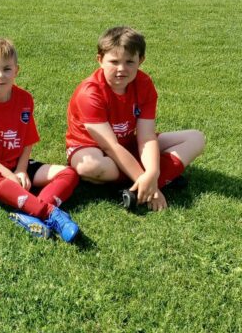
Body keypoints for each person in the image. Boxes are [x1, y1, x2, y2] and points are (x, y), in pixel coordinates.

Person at [66, 26, 205, 211]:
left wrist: (153, 173)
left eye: (130, 62)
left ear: (141, 60)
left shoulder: (144, 84)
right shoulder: (90, 92)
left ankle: (137, 185)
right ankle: (147, 183)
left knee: (195, 138)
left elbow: (146, 137)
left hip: (128, 144)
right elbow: (110, 145)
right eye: (114, 61)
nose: (121, 69)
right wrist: (150, 181)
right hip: (91, 147)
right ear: (100, 60)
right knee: (90, 167)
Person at [0, 38, 80, 242]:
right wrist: (7, 175)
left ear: (16, 70)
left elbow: (27, 140)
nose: (0, 76)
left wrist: (21, 169)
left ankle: (29, 213)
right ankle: (48, 213)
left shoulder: (25, 99)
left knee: (69, 173)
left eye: (6, 69)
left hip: (15, 163)